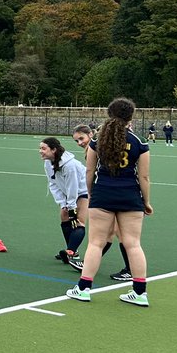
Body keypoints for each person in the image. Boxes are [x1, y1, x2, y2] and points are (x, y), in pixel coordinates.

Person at [66, 98, 153, 307]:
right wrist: (146, 202)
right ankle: (140, 292)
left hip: (102, 195)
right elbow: (144, 177)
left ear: (109, 114)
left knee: (96, 243)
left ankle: (84, 289)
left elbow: (89, 171)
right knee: (133, 244)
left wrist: (90, 194)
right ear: (130, 117)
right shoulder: (140, 142)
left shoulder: (97, 142)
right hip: (130, 197)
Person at [72, 125, 132, 281]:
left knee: (120, 234)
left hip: (111, 195)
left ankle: (130, 270)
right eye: (76, 140)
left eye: (81, 138)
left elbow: (93, 173)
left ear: (91, 134)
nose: (79, 142)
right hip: (114, 194)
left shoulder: (98, 147)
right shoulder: (95, 147)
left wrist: (91, 193)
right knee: (110, 233)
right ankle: (88, 263)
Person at [38, 136, 87, 272]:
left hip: (84, 191)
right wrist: (62, 203)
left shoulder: (69, 166)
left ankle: (70, 251)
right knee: (64, 216)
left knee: (78, 221)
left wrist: (72, 207)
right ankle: (72, 250)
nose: (40, 151)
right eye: (40, 148)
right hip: (68, 193)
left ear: (53, 150)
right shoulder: (48, 163)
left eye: (43, 148)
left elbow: (74, 187)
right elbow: (52, 183)